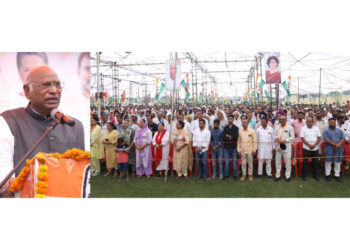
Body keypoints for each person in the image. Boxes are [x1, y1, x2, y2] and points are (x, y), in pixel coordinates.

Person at [0, 65, 85, 197]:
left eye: (57, 85)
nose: (54, 90)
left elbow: (82, 172)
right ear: (27, 91)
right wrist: (5, 182)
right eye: (45, 85)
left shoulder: (74, 126)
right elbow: (2, 166)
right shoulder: (8, 120)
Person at [322, 118, 344, 182]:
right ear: (328, 123)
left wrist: (339, 144)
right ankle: (327, 175)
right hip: (329, 149)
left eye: (333, 122)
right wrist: (335, 145)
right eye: (331, 122)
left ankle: (337, 175)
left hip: (338, 148)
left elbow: (342, 138)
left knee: (338, 162)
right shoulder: (325, 131)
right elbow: (326, 140)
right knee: (328, 162)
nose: (332, 124)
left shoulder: (339, 130)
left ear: (335, 123)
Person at [274, 115, 295, 182]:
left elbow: (293, 137)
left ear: (286, 120)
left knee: (287, 163)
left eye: (283, 119)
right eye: (280, 119)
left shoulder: (290, 127)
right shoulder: (277, 127)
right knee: (278, 162)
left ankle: (287, 176)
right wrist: (276, 138)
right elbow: (274, 135)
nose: (281, 120)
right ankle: (278, 175)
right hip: (278, 148)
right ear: (279, 120)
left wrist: (286, 140)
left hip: (287, 148)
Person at [300, 117, 321, 181]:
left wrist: (314, 145)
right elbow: (302, 138)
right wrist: (309, 145)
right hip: (306, 148)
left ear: (312, 122)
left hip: (315, 148)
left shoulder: (316, 128)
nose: (309, 122)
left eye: (310, 121)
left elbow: (319, 137)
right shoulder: (303, 128)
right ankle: (304, 175)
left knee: (315, 162)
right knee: (305, 162)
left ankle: (315, 175)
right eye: (307, 121)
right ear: (306, 122)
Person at [223, 114, 239, 180]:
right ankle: (226, 175)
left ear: (233, 119)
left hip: (234, 147)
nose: (230, 120)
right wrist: (230, 137)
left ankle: (235, 175)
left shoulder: (236, 128)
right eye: (229, 119)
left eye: (231, 119)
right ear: (227, 119)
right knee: (226, 162)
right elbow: (224, 137)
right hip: (226, 147)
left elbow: (236, 137)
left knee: (234, 161)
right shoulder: (225, 128)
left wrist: (229, 136)